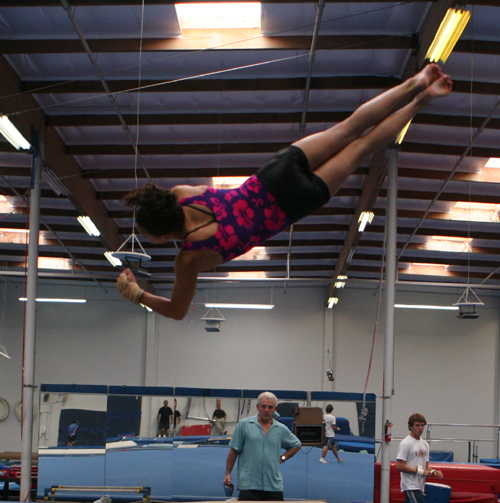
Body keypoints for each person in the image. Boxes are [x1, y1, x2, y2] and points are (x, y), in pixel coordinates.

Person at [117, 65, 452, 320]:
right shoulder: (181, 192)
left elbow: (177, 311)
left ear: (164, 236)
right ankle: (416, 81)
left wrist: (136, 293)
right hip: (274, 174)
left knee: (363, 147)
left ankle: (421, 100)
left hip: (295, 202)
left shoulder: (189, 258)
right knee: (349, 128)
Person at [223, 391, 301, 503]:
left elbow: (296, 444)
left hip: (273, 482)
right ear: (258, 407)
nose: (267, 410)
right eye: (264, 406)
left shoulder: (281, 429)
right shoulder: (244, 425)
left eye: (270, 407)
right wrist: (228, 473)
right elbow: (233, 450)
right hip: (249, 480)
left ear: (275, 409)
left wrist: (282, 458)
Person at [385, 412, 445, 503]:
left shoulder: (425, 444)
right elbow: (399, 466)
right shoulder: (406, 443)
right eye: (417, 425)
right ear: (410, 427)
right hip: (410, 485)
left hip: (419, 485)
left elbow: (426, 466)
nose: (420, 428)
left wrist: (433, 472)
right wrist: (420, 472)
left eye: (422, 425)